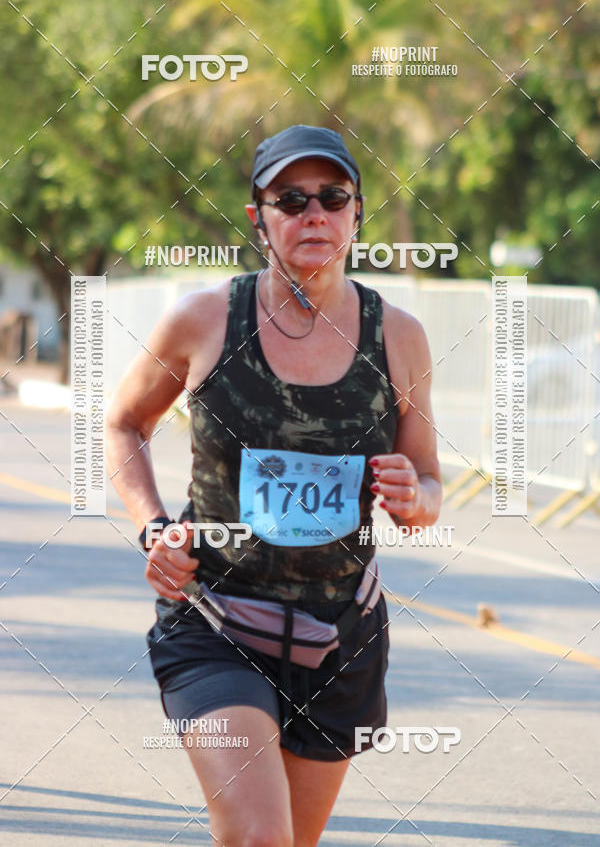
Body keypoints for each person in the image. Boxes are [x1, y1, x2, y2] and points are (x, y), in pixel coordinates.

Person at [106, 124, 442, 846]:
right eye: (291, 199)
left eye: (332, 197)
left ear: (356, 214)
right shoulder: (203, 322)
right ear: (259, 218)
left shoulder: (399, 337)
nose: (313, 213)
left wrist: (416, 498)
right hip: (217, 622)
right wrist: (154, 526)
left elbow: (429, 484)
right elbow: (123, 424)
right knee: (260, 837)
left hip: (340, 636)